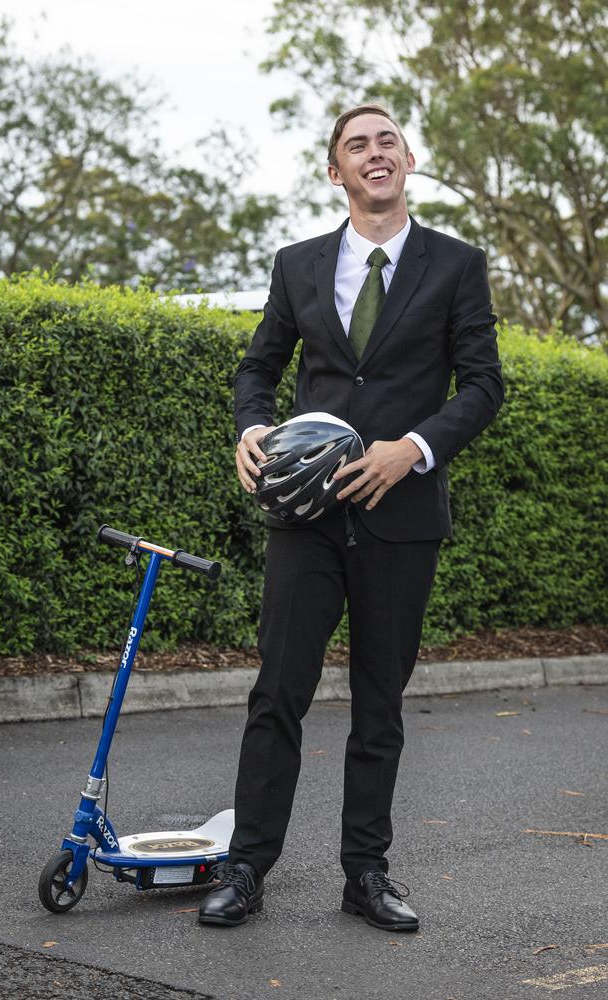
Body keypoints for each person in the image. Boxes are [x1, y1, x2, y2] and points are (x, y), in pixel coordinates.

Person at [198, 105, 504, 930]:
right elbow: (256, 368)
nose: (375, 153)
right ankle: (247, 866)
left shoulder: (457, 265)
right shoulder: (296, 265)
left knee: (380, 703)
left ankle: (366, 873)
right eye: (356, 145)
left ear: (408, 160)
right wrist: (249, 427)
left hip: (403, 519)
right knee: (278, 694)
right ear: (336, 172)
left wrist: (415, 447)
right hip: (307, 517)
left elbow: (482, 385)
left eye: (387, 141)